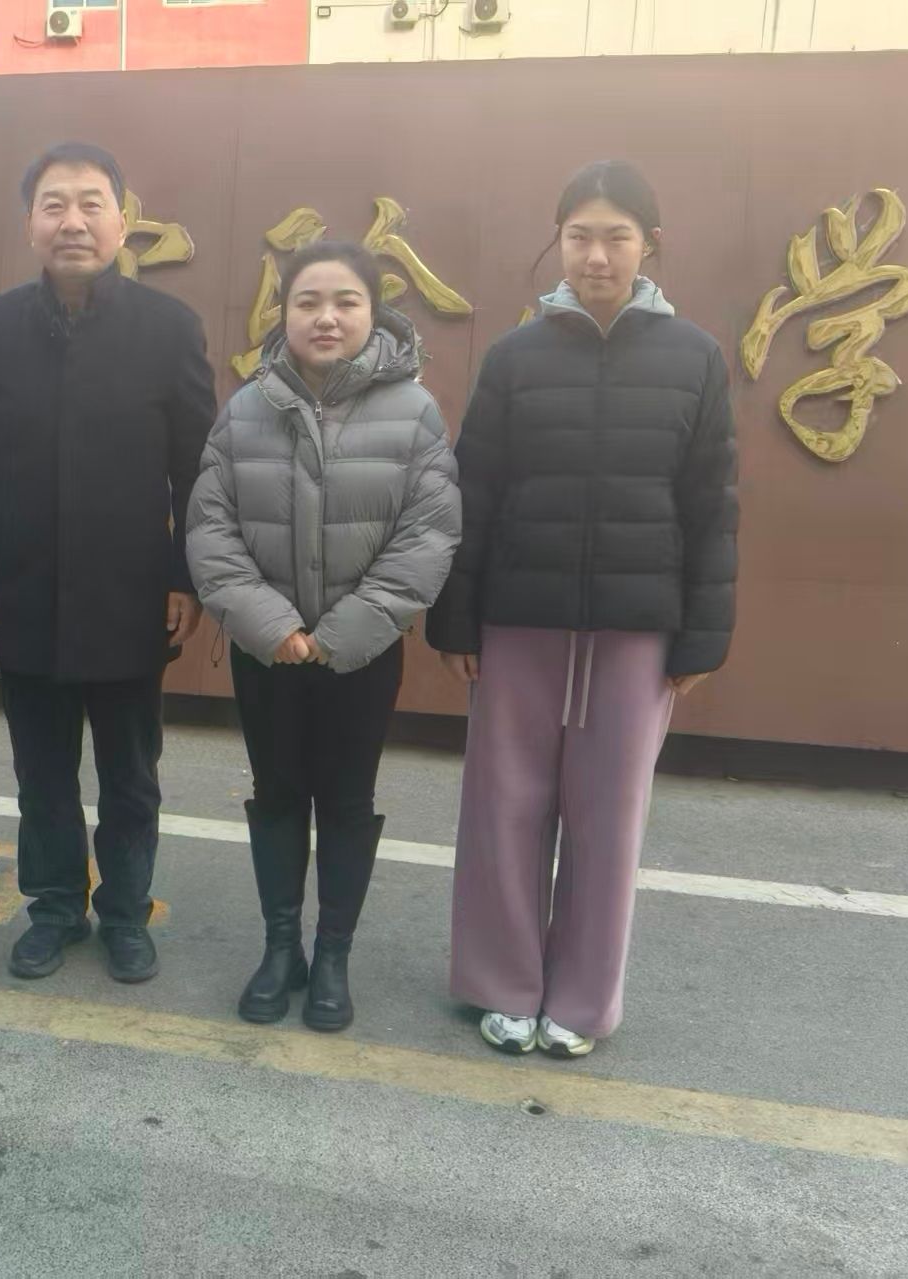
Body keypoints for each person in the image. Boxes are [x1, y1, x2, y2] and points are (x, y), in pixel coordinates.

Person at [426, 160, 739, 1058]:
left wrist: (703, 635)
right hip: (519, 620)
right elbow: (474, 491)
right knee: (504, 807)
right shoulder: (515, 356)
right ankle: (503, 984)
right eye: (579, 237)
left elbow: (712, 504)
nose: (596, 256)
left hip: (637, 633)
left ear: (650, 245)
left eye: (616, 237)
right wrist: (456, 617)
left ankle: (583, 1001)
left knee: (609, 819)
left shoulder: (695, 358)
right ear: (558, 243)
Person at [0, 142, 217, 984]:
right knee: (42, 773)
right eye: (54, 204)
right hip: (23, 592)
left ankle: (126, 913)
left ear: (122, 222)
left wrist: (185, 575)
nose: (73, 221)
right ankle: (56, 908)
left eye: (91, 203)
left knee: (130, 774)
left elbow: (198, 468)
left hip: (132, 595)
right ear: (30, 224)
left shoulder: (169, 327)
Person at [187, 241, 460, 1033]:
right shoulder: (245, 409)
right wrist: (272, 627)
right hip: (266, 651)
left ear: (374, 312)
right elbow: (210, 528)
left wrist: (343, 632)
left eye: (345, 301)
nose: (326, 317)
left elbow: (429, 533)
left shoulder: (414, 411)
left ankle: (333, 953)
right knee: (276, 793)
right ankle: (282, 948)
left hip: (360, 653)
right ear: (284, 313)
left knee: (346, 798)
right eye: (308, 301)